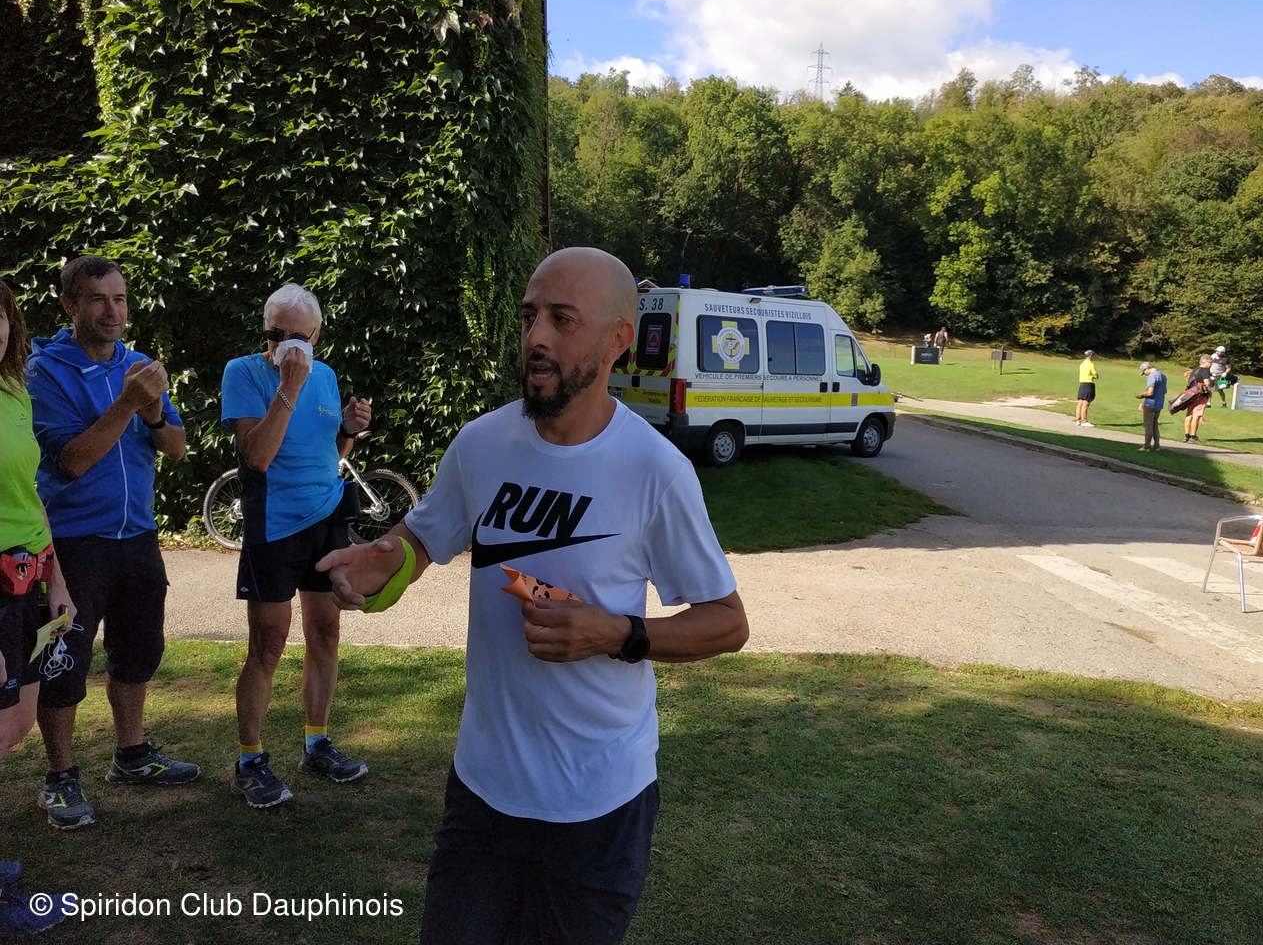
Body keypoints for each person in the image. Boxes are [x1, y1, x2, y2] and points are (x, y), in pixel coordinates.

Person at [317, 247, 750, 945]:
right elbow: (423, 538)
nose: (536, 337)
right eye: (528, 318)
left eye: (561, 319)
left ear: (617, 340)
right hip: (483, 790)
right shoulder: (481, 444)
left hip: (599, 803)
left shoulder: (655, 470)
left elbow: (726, 623)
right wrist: (381, 563)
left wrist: (618, 633)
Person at [25, 256, 200, 830]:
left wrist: (153, 413)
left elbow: (176, 449)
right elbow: (72, 461)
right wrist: (127, 403)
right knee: (63, 660)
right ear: (69, 306)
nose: (112, 311)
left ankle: (131, 754)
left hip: (138, 534)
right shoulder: (44, 372)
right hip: (74, 540)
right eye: (97, 299)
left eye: (120, 299)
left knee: (139, 649)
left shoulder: (139, 366)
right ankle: (60, 776)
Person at [221, 283, 372, 809]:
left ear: (316, 336)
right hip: (274, 523)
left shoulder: (325, 375)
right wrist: (288, 385)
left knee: (326, 633)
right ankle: (250, 760)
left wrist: (348, 429)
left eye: (297, 337)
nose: (284, 344)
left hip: (326, 517)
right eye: (275, 333)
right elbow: (257, 456)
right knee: (268, 643)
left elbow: (329, 450)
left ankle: (317, 743)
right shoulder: (243, 373)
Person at [0, 280, 73, 933]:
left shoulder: (14, 392)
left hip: (28, 574)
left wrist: (56, 578)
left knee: (17, 722)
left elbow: (30, 493)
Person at [1136, 361, 1167, 452]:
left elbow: (1150, 392)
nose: (1145, 374)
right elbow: (1165, 391)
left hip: (1150, 404)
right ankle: (1156, 445)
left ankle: (1147, 446)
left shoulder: (1152, 376)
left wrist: (1141, 395)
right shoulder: (1163, 375)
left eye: (1144, 372)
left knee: (1148, 425)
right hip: (1159, 404)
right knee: (1155, 425)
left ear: (1147, 368)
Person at [1182, 355, 1214, 444]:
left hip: (1190, 395)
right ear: (1204, 361)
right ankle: (1193, 437)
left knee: (1189, 415)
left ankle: (1186, 436)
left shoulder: (1195, 370)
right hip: (1200, 395)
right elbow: (1207, 382)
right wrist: (1211, 385)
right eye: (1210, 362)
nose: (1211, 364)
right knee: (1196, 416)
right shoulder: (1205, 370)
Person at [1076, 349, 1099, 426]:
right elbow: (1095, 375)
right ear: (1090, 356)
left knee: (1080, 402)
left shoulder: (1082, 364)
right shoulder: (1091, 364)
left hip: (1082, 384)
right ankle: (1084, 421)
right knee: (1086, 403)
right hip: (1088, 384)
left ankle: (1078, 419)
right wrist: (1093, 376)